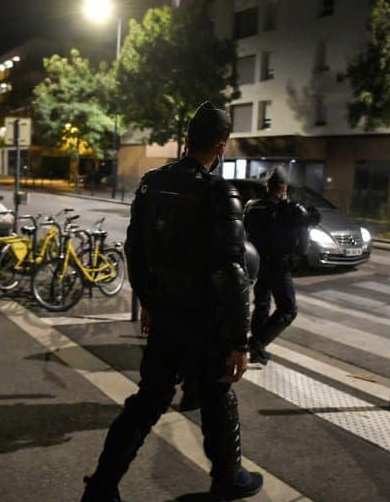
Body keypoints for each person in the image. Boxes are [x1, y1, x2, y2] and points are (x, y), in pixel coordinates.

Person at [81, 102, 263, 502]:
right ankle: (227, 477)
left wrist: (148, 301)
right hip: (205, 321)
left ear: (187, 138)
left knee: (149, 399)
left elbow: (136, 249)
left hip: (166, 316)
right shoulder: (219, 192)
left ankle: (102, 485)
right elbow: (231, 272)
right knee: (218, 392)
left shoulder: (152, 183)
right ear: (221, 145)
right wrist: (241, 340)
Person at [244, 167, 308, 365]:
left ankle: (257, 347)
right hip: (279, 265)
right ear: (282, 188)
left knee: (262, 304)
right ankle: (258, 343)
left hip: (259, 262)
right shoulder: (289, 210)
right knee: (288, 308)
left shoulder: (253, 207)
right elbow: (302, 239)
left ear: (267, 186)